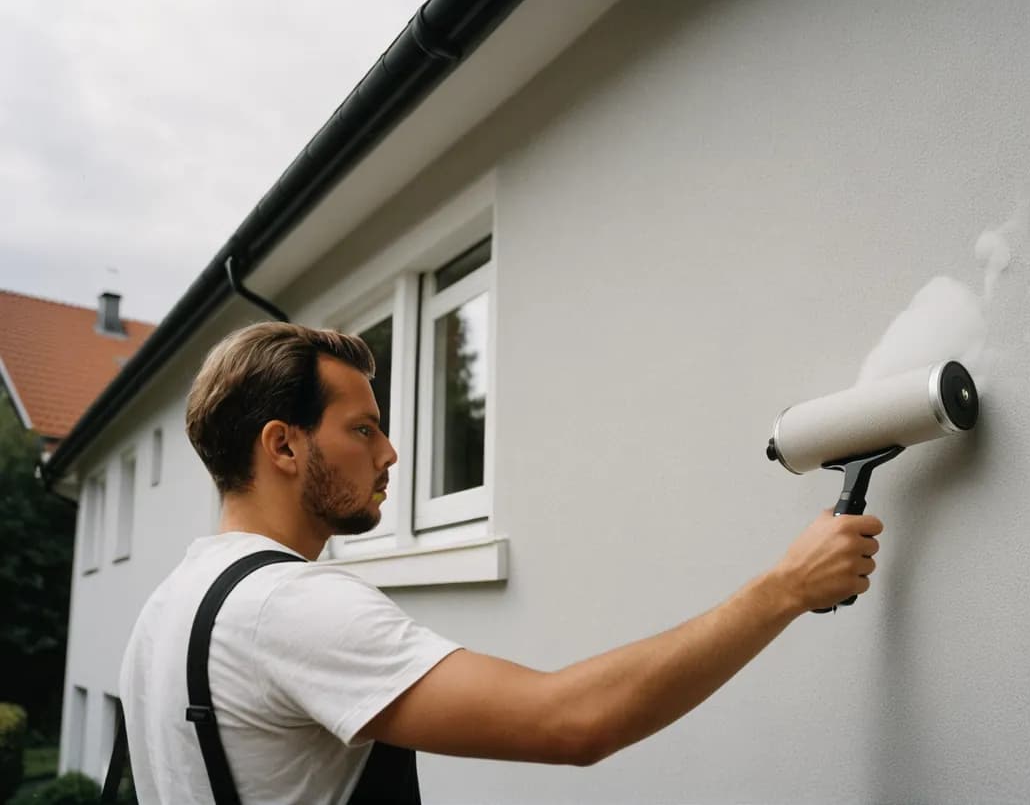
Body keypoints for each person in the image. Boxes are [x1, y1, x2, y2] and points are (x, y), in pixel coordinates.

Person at [118, 322, 883, 804]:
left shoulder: (166, 611)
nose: (390, 454)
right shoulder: (290, 608)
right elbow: (572, 723)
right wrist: (785, 589)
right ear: (283, 445)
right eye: (363, 431)